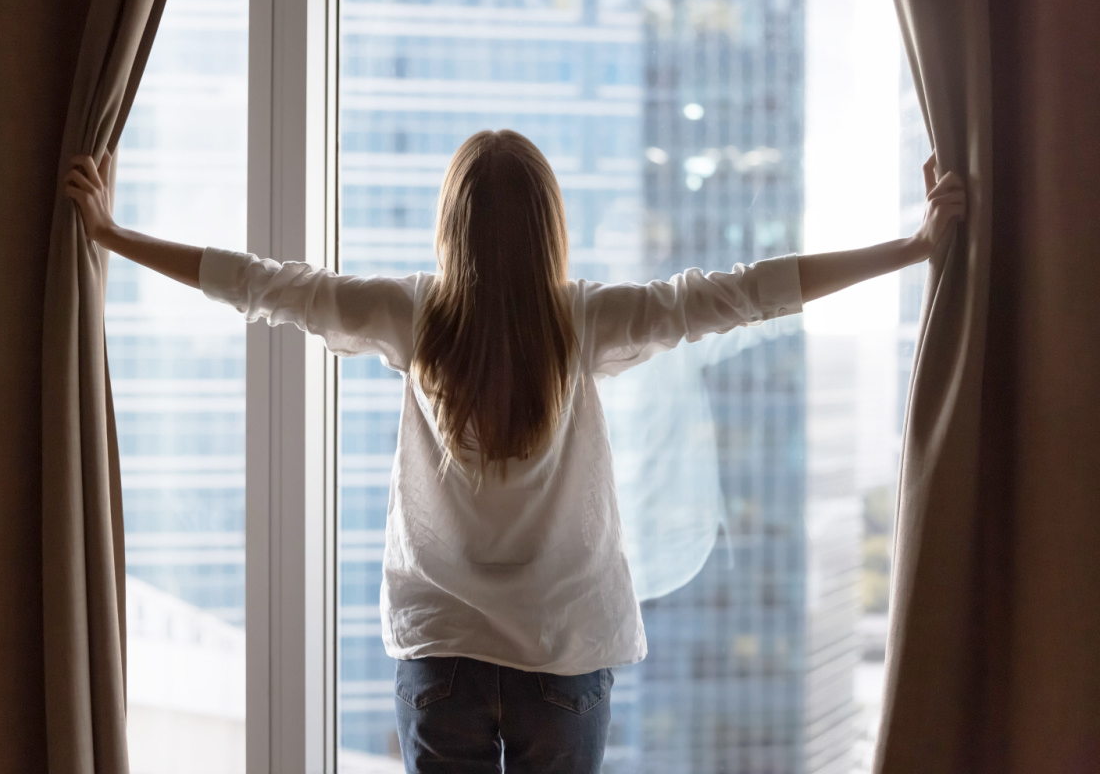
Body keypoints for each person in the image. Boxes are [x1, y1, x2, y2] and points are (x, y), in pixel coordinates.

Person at [64, 129, 965, 774]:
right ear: (549, 229)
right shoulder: (585, 323)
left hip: (441, 654)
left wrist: (111, 232)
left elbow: (260, 286)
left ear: (450, 227)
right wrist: (914, 245)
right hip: (565, 653)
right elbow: (748, 293)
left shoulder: (413, 318)